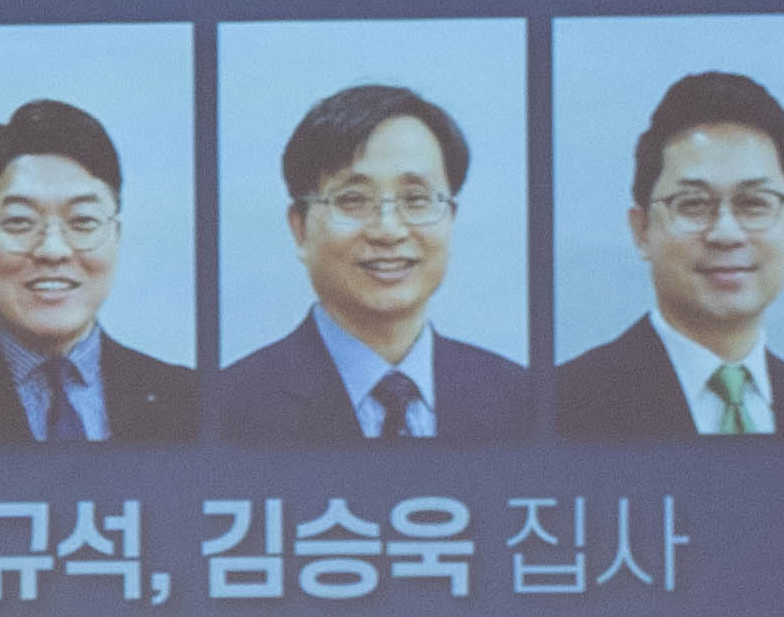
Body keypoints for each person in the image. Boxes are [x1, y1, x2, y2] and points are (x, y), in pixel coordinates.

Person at [210, 82, 538, 448]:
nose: (388, 231)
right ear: (300, 229)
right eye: (353, 200)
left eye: (416, 199)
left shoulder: (523, 402)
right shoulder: (225, 411)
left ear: (451, 219)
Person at [546, 72, 784, 439]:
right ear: (642, 229)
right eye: (693, 204)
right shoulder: (559, 409)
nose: (726, 234)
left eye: (754, 204)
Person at [0, 96, 204, 444]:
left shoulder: (192, 403)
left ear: (116, 235)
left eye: (82, 222)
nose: (53, 251)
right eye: (19, 221)